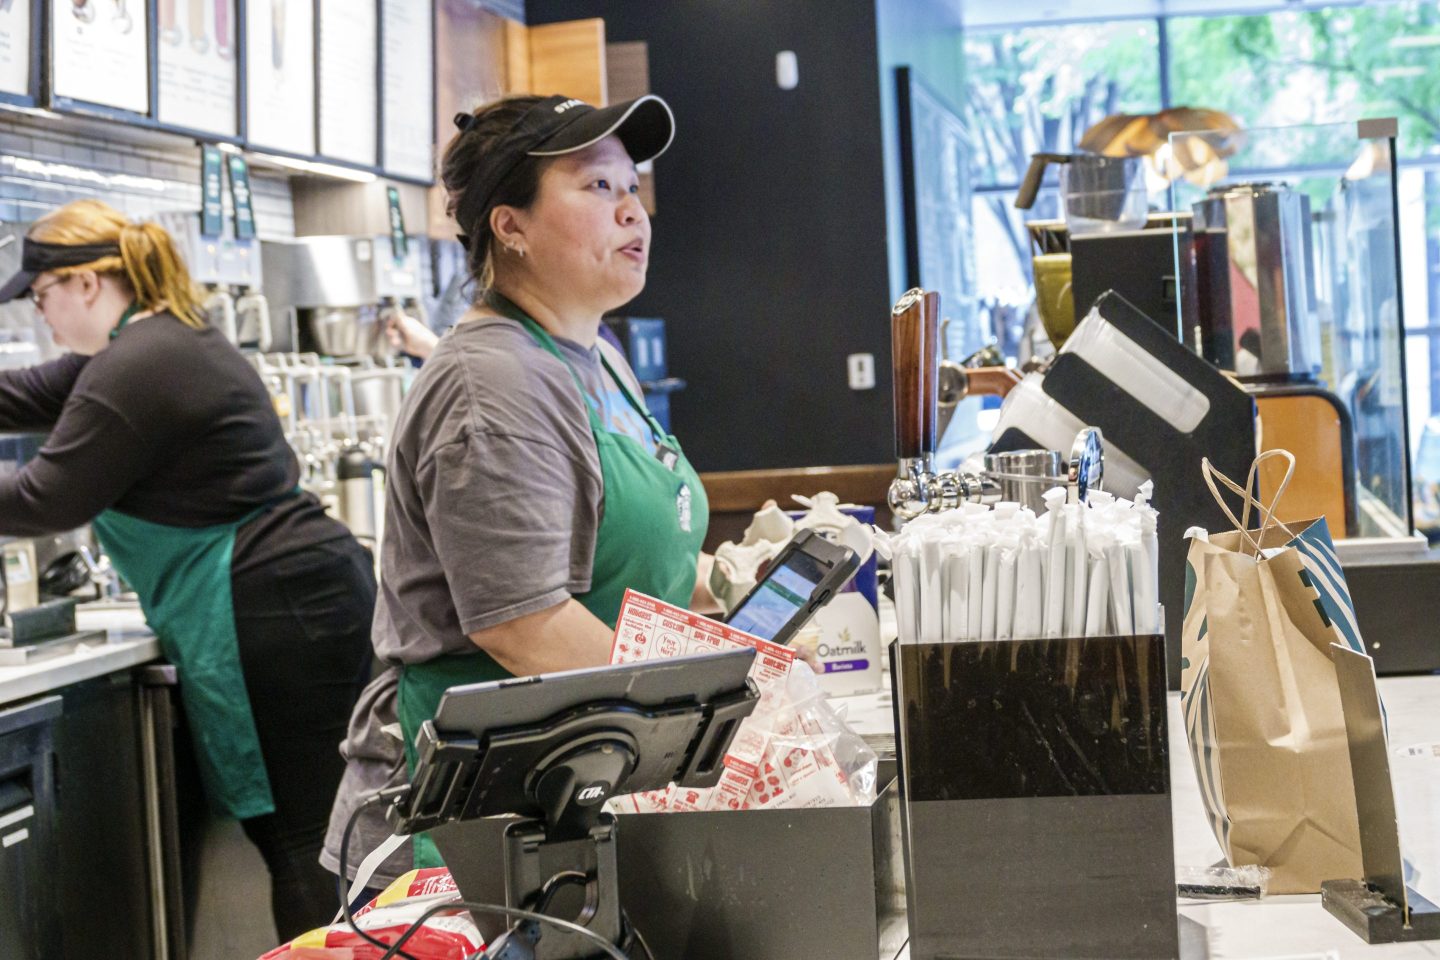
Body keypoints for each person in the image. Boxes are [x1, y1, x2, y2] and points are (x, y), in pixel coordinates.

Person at [324, 92, 719, 890]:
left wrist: (734, 632)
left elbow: (639, 549)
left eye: (631, 188)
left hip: (574, 780)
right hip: (466, 823)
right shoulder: (493, 384)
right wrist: (705, 721)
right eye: (597, 189)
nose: (632, 214)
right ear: (510, 225)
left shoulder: (594, 351)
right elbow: (526, 626)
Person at [0, 200, 376, 939]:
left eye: (41, 296)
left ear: (85, 283)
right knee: (309, 841)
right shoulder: (151, 348)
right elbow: (17, 395)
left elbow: (46, 497)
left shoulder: (139, 365)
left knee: (307, 845)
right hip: (296, 599)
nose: (40, 314)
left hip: (284, 610)